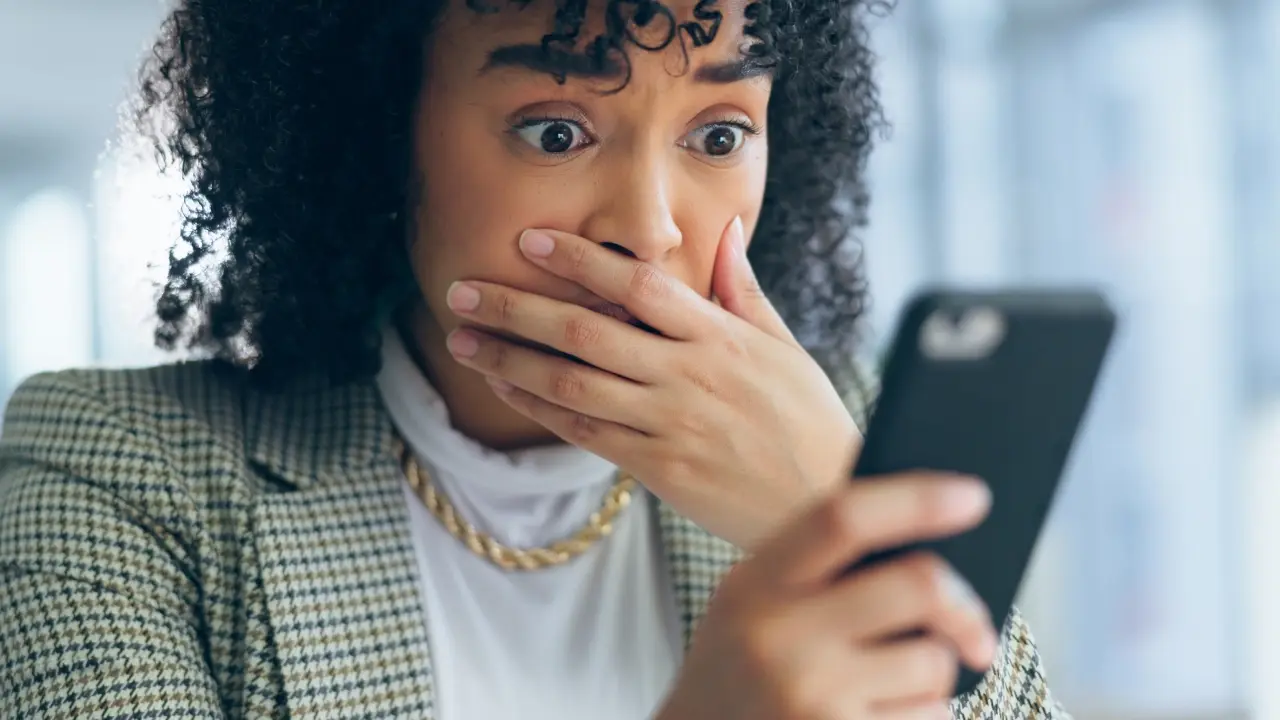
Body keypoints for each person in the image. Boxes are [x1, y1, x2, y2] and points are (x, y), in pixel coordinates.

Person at [0, 0, 1067, 718]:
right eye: (555, 131)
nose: (648, 230)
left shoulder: (846, 439)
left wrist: (843, 530)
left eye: (719, 134)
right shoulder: (108, 473)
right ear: (379, 137)